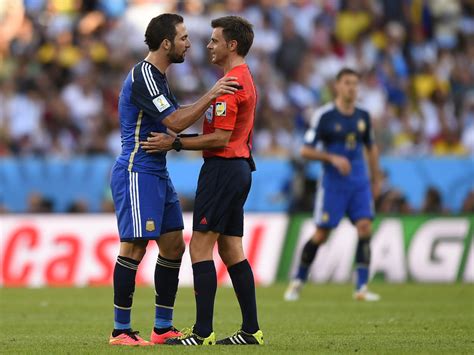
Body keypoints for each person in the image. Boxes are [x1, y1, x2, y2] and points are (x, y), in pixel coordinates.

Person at [109, 13, 239, 346]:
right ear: (166, 43)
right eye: (183, 37)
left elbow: (173, 128)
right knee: (135, 246)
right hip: (137, 170)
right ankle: (120, 330)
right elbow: (176, 122)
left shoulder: (159, 78)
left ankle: (162, 328)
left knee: (171, 245)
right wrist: (212, 94)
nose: (189, 43)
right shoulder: (144, 75)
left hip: (156, 171)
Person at [140, 16, 263, 346]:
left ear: (231, 45)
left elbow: (220, 139)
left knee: (200, 246)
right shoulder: (239, 78)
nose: (207, 45)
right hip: (238, 168)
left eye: (214, 40)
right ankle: (251, 330)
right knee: (231, 247)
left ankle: (203, 332)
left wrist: (175, 143)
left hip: (222, 169)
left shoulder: (230, 85)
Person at [284, 68, 382, 302]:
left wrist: (376, 178)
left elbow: (371, 147)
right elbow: (305, 150)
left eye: (355, 83)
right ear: (337, 86)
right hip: (333, 184)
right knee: (321, 234)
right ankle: (297, 281)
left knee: (365, 228)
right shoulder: (325, 116)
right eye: (347, 83)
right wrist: (332, 158)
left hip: (358, 182)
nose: (352, 88)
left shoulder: (363, 116)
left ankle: (361, 288)